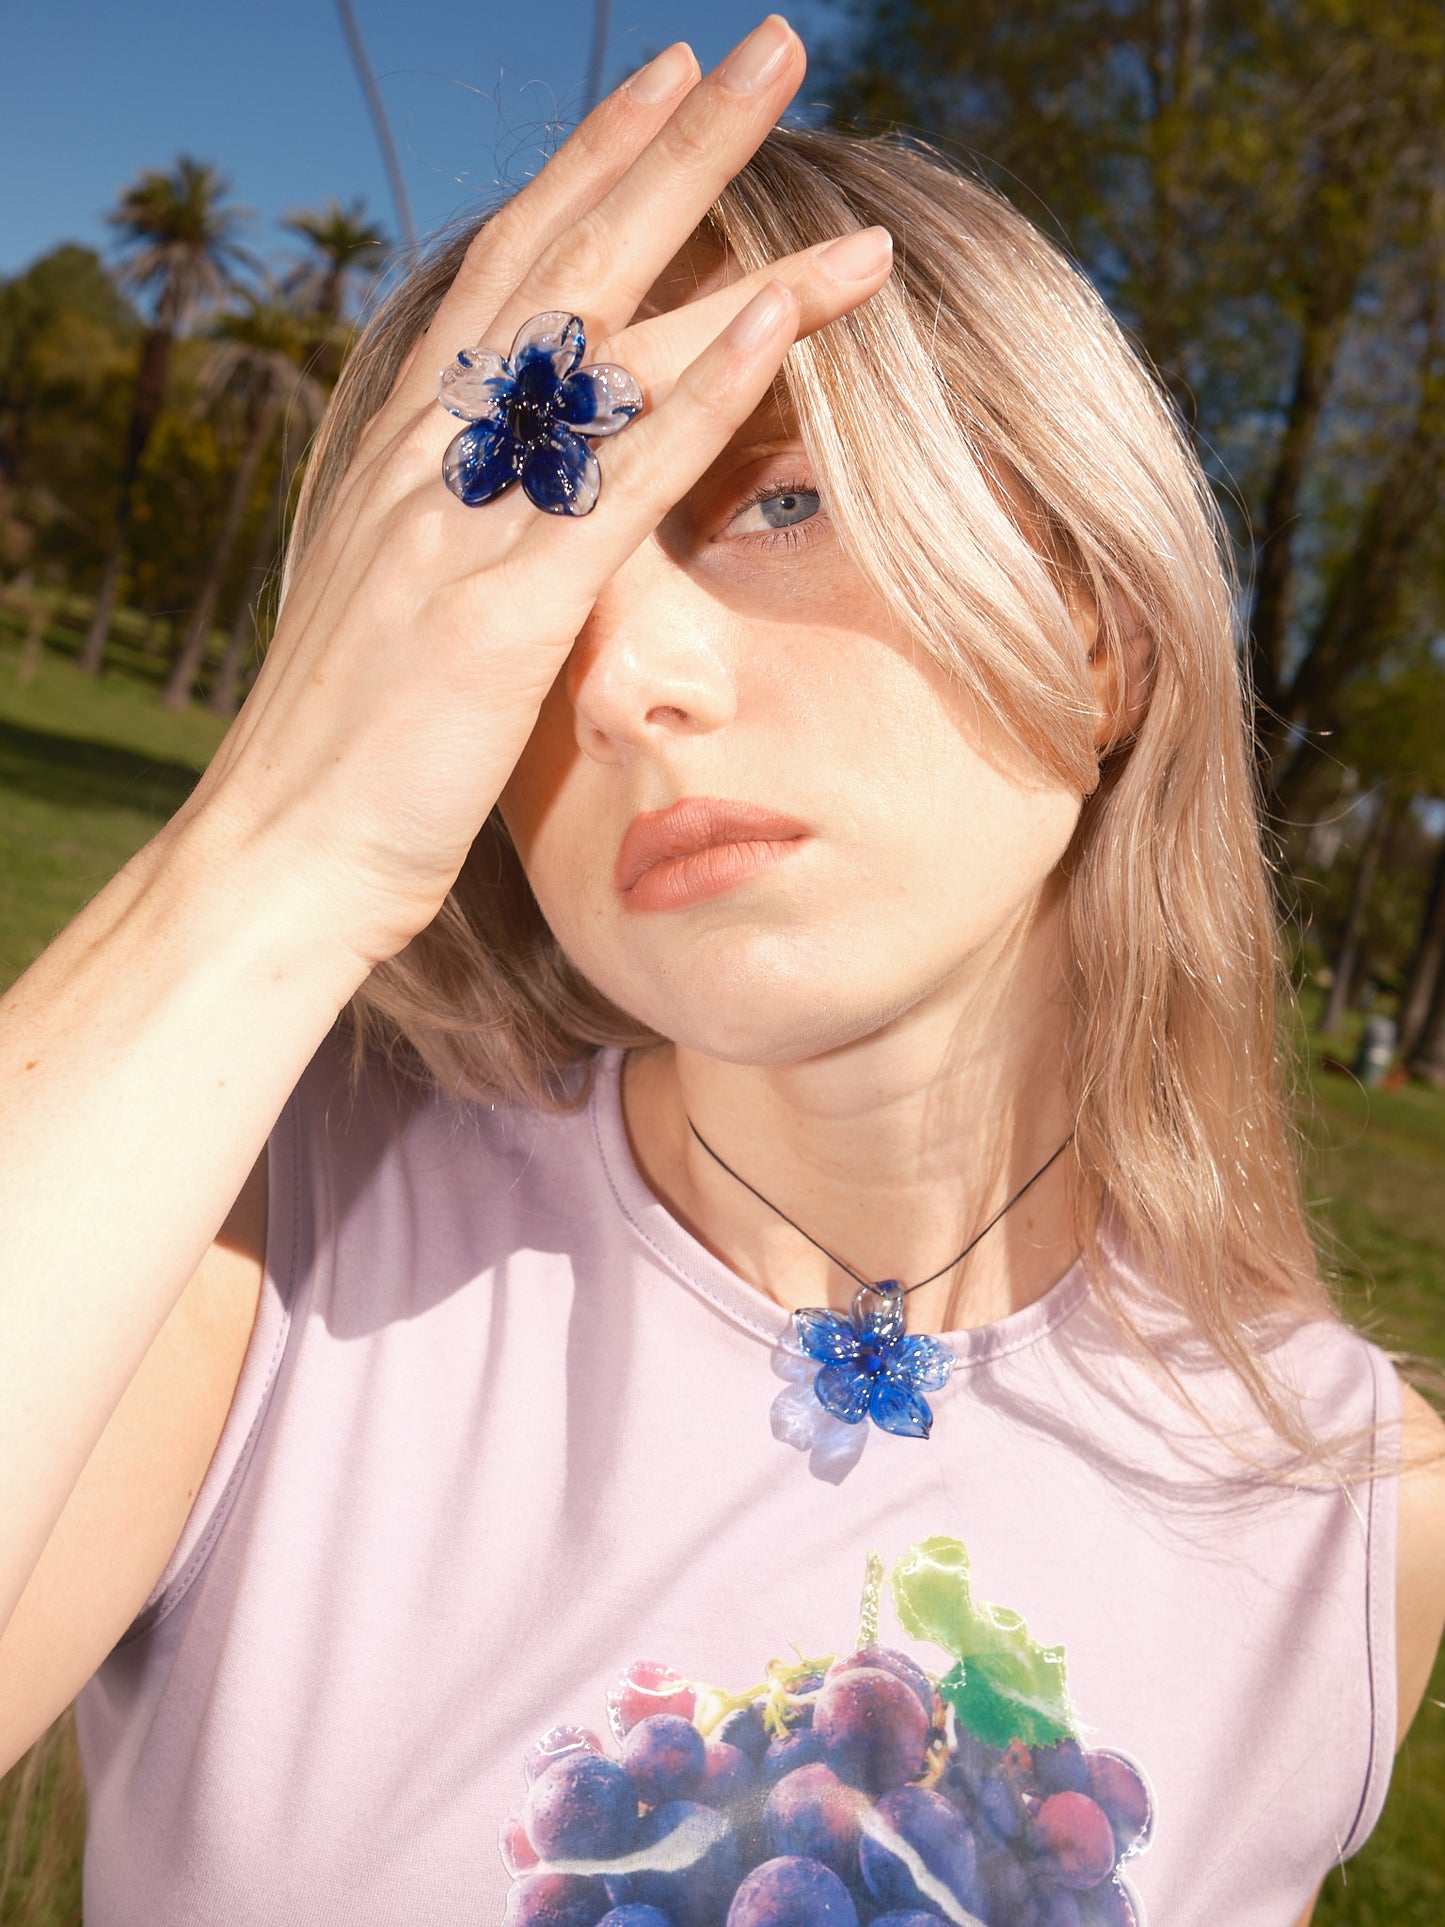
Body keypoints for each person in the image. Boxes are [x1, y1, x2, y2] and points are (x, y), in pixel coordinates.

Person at [0, 15, 1442, 1927]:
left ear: (1097, 635)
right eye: (528, 591)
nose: (616, 682)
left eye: (775, 500)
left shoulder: (1353, 1513)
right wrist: (278, 850)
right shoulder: (248, 1249)